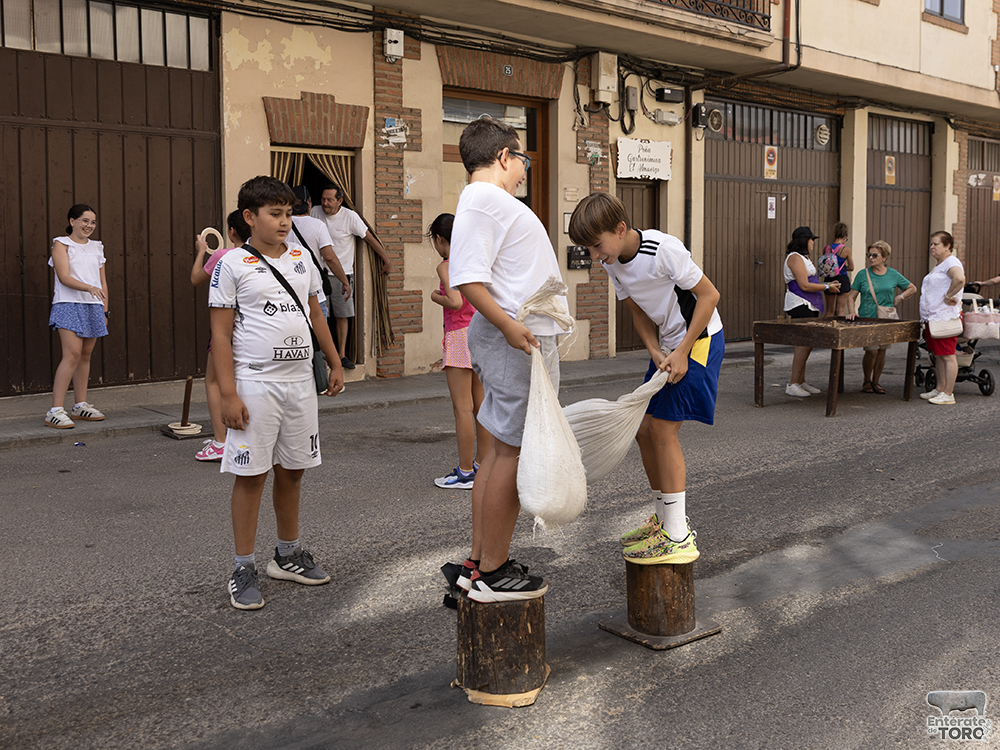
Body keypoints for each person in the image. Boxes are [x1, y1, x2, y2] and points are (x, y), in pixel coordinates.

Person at [209, 176, 344, 610]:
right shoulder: (231, 264)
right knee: (252, 475)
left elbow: (316, 314)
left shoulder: (303, 259)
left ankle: (287, 554)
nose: (285, 222)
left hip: (300, 382)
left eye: (289, 213)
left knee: (294, 470)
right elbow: (220, 334)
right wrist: (229, 395)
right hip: (255, 383)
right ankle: (243, 566)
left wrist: (335, 360)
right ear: (249, 217)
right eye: (275, 214)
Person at [569, 192, 723, 565]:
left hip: (699, 341)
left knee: (661, 431)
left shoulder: (663, 249)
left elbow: (709, 295)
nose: (593, 256)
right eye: (587, 249)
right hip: (669, 347)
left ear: (620, 229)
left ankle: (678, 536)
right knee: (643, 429)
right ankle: (664, 521)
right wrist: (654, 350)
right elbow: (637, 311)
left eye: (596, 246)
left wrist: (683, 350)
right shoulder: (613, 261)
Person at [449, 117, 567, 603]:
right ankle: (493, 572)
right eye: (524, 160)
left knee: (498, 451)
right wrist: (509, 327)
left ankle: (479, 563)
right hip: (517, 337)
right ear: (504, 157)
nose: (524, 170)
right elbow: (468, 280)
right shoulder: (487, 199)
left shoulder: (485, 202)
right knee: (513, 453)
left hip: (515, 335)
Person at [428, 213, 490, 490]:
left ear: (440, 239)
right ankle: (483, 465)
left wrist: (434, 296)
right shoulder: (474, 260)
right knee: (482, 406)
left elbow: (453, 300)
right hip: (479, 332)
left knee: (462, 408)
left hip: (457, 335)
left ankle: (465, 471)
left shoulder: (447, 265)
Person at [189, 210, 252, 461]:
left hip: (226, 328)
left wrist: (201, 251)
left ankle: (220, 442)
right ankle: (241, 436)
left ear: (231, 232)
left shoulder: (222, 256)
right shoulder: (257, 256)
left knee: (214, 381)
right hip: (252, 329)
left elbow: (195, 279)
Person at [310, 183, 391, 369]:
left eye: (330, 200)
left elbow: (369, 238)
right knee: (320, 317)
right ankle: (322, 357)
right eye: (323, 199)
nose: (325, 203)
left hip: (342, 275)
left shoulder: (350, 217)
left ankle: (341, 355)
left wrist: (385, 260)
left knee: (341, 315)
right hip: (317, 275)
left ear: (340, 201)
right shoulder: (314, 212)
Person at [45, 204, 109, 429]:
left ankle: (80, 405)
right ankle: (55, 410)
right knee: (71, 354)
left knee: (85, 355)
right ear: (72, 221)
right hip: (67, 304)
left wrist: (105, 309)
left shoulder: (97, 247)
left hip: (93, 306)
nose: (89, 226)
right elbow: (63, 277)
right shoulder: (61, 244)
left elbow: (103, 283)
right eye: (84, 221)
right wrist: (89, 287)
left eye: (93, 222)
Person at [845, 241, 917, 394]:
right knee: (872, 351)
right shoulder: (862, 274)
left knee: (882, 350)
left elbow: (912, 288)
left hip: (886, 318)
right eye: (869, 255)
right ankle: (866, 380)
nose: (871, 258)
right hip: (867, 318)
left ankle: (876, 381)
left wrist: (900, 297)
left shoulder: (893, 274)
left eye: (874, 255)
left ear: (884, 257)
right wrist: (851, 312)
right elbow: (851, 297)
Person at [783, 226, 840, 398]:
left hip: (810, 304)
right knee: (802, 343)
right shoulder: (794, 258)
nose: (813, 243)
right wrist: (827, 286)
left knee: (808, 343)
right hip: (799, 304)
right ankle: (792, 383)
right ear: (803, 240)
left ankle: (801, 380)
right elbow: (804, 285)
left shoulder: (803, 257)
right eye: (811, 240)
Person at [289, 186, 351, 326]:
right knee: (319, 340)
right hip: (314, 292)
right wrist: (345, 281)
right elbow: (330, 258)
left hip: (288, 292)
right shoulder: (317, 225)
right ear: (308, 203)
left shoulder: (281, 225)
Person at [918, 231, 965, 405]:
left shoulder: (951, 262)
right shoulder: (940, 264)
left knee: (947, 355)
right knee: (938, 355)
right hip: (933, 318)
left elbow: (959, 278)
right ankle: (939, 389)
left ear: (947, 246)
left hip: (943, 317)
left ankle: (948, 393)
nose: (932, 247)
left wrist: (948, 295)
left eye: (935, 244)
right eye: (931, 244)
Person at [819, 222, 854, 317]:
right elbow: (851, 267)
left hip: (829, 279)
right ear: (845, 237)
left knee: (830, 310)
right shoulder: (846, 249)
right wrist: (840, 268)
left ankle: (825, 329)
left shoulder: (826, 248)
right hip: (842, 278)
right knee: (840, 311)